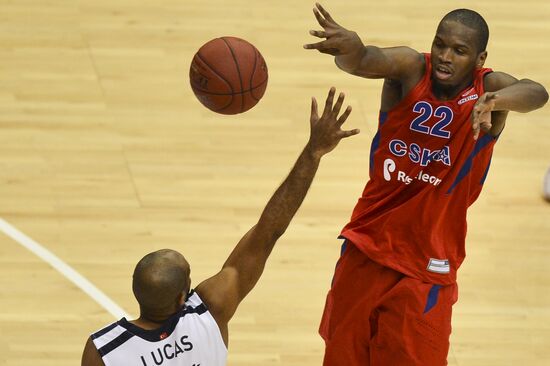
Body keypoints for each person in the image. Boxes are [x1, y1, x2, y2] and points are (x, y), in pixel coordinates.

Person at [304, 3, 548, 365]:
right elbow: (364, 60)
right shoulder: (411, 68)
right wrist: (351, 49)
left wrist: (495, 101)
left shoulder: (488, 90)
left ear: (479, 59)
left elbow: (537, 92)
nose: (445, 57)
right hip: (366, 245)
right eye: (440, 45)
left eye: (459, 51)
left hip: (428, 265)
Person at [80, 88, 359, 366]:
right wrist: (313, 153)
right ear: (181, 298)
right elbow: (269, 231)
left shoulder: (103, 351)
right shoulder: (210, 311)